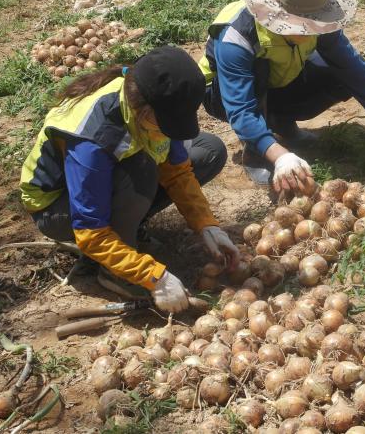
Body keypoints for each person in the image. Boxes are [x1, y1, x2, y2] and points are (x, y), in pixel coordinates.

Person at [20, 46, 239, 313]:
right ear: (144, 112)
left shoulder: (145, 106)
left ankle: (128, 230)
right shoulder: (93, 139)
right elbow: (90, 232)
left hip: (104, 180)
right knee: (142, 170)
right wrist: (151, 276)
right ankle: (114, 271)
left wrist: (206, 225)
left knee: (208, 150)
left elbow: (177, 170)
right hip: (57, 209)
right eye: (167, 123)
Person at [200, 0, 365, 191]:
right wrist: (280, 157)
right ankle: (257, 152)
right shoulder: (237, 37)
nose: (310, 29)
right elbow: (240, 107)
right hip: (222, 94)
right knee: (260, 68)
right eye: (303, 25)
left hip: (279, 81)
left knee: (335, 71)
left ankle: (282, 124)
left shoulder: (319, 24)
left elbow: (352, 68)